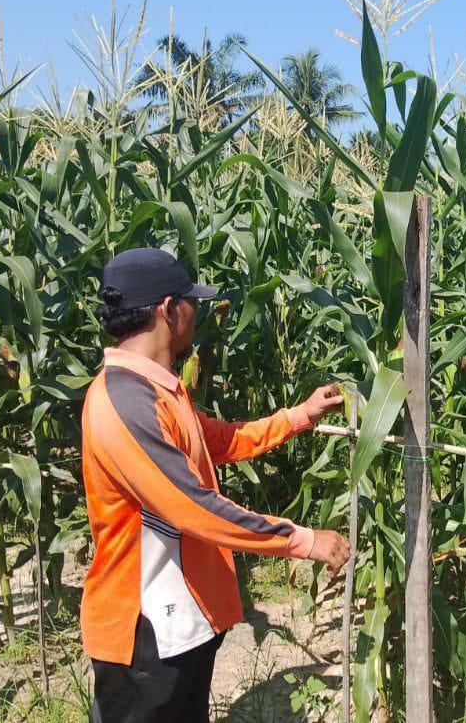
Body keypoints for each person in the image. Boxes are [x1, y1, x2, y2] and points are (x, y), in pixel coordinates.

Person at [80, 247, 349, 723]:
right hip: (146, 632)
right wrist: (301, 540)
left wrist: (298, 416)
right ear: (168, 309)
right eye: (191, 302)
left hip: (182, 620)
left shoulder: (157, 390)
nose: (196, 313)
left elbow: (215, 441)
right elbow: (193, 507)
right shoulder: (122, 403)